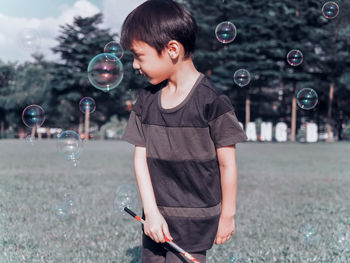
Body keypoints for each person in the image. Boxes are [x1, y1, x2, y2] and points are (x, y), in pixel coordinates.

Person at [120, 0, 247, 262]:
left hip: (196, 220)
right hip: (157, 216)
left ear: (172, 49)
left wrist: (228, 216)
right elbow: (140, 159)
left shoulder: (213, 102)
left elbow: (227, 165)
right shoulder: (146, 100)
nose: (134, 65)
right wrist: (151, 213)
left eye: (139, 56)